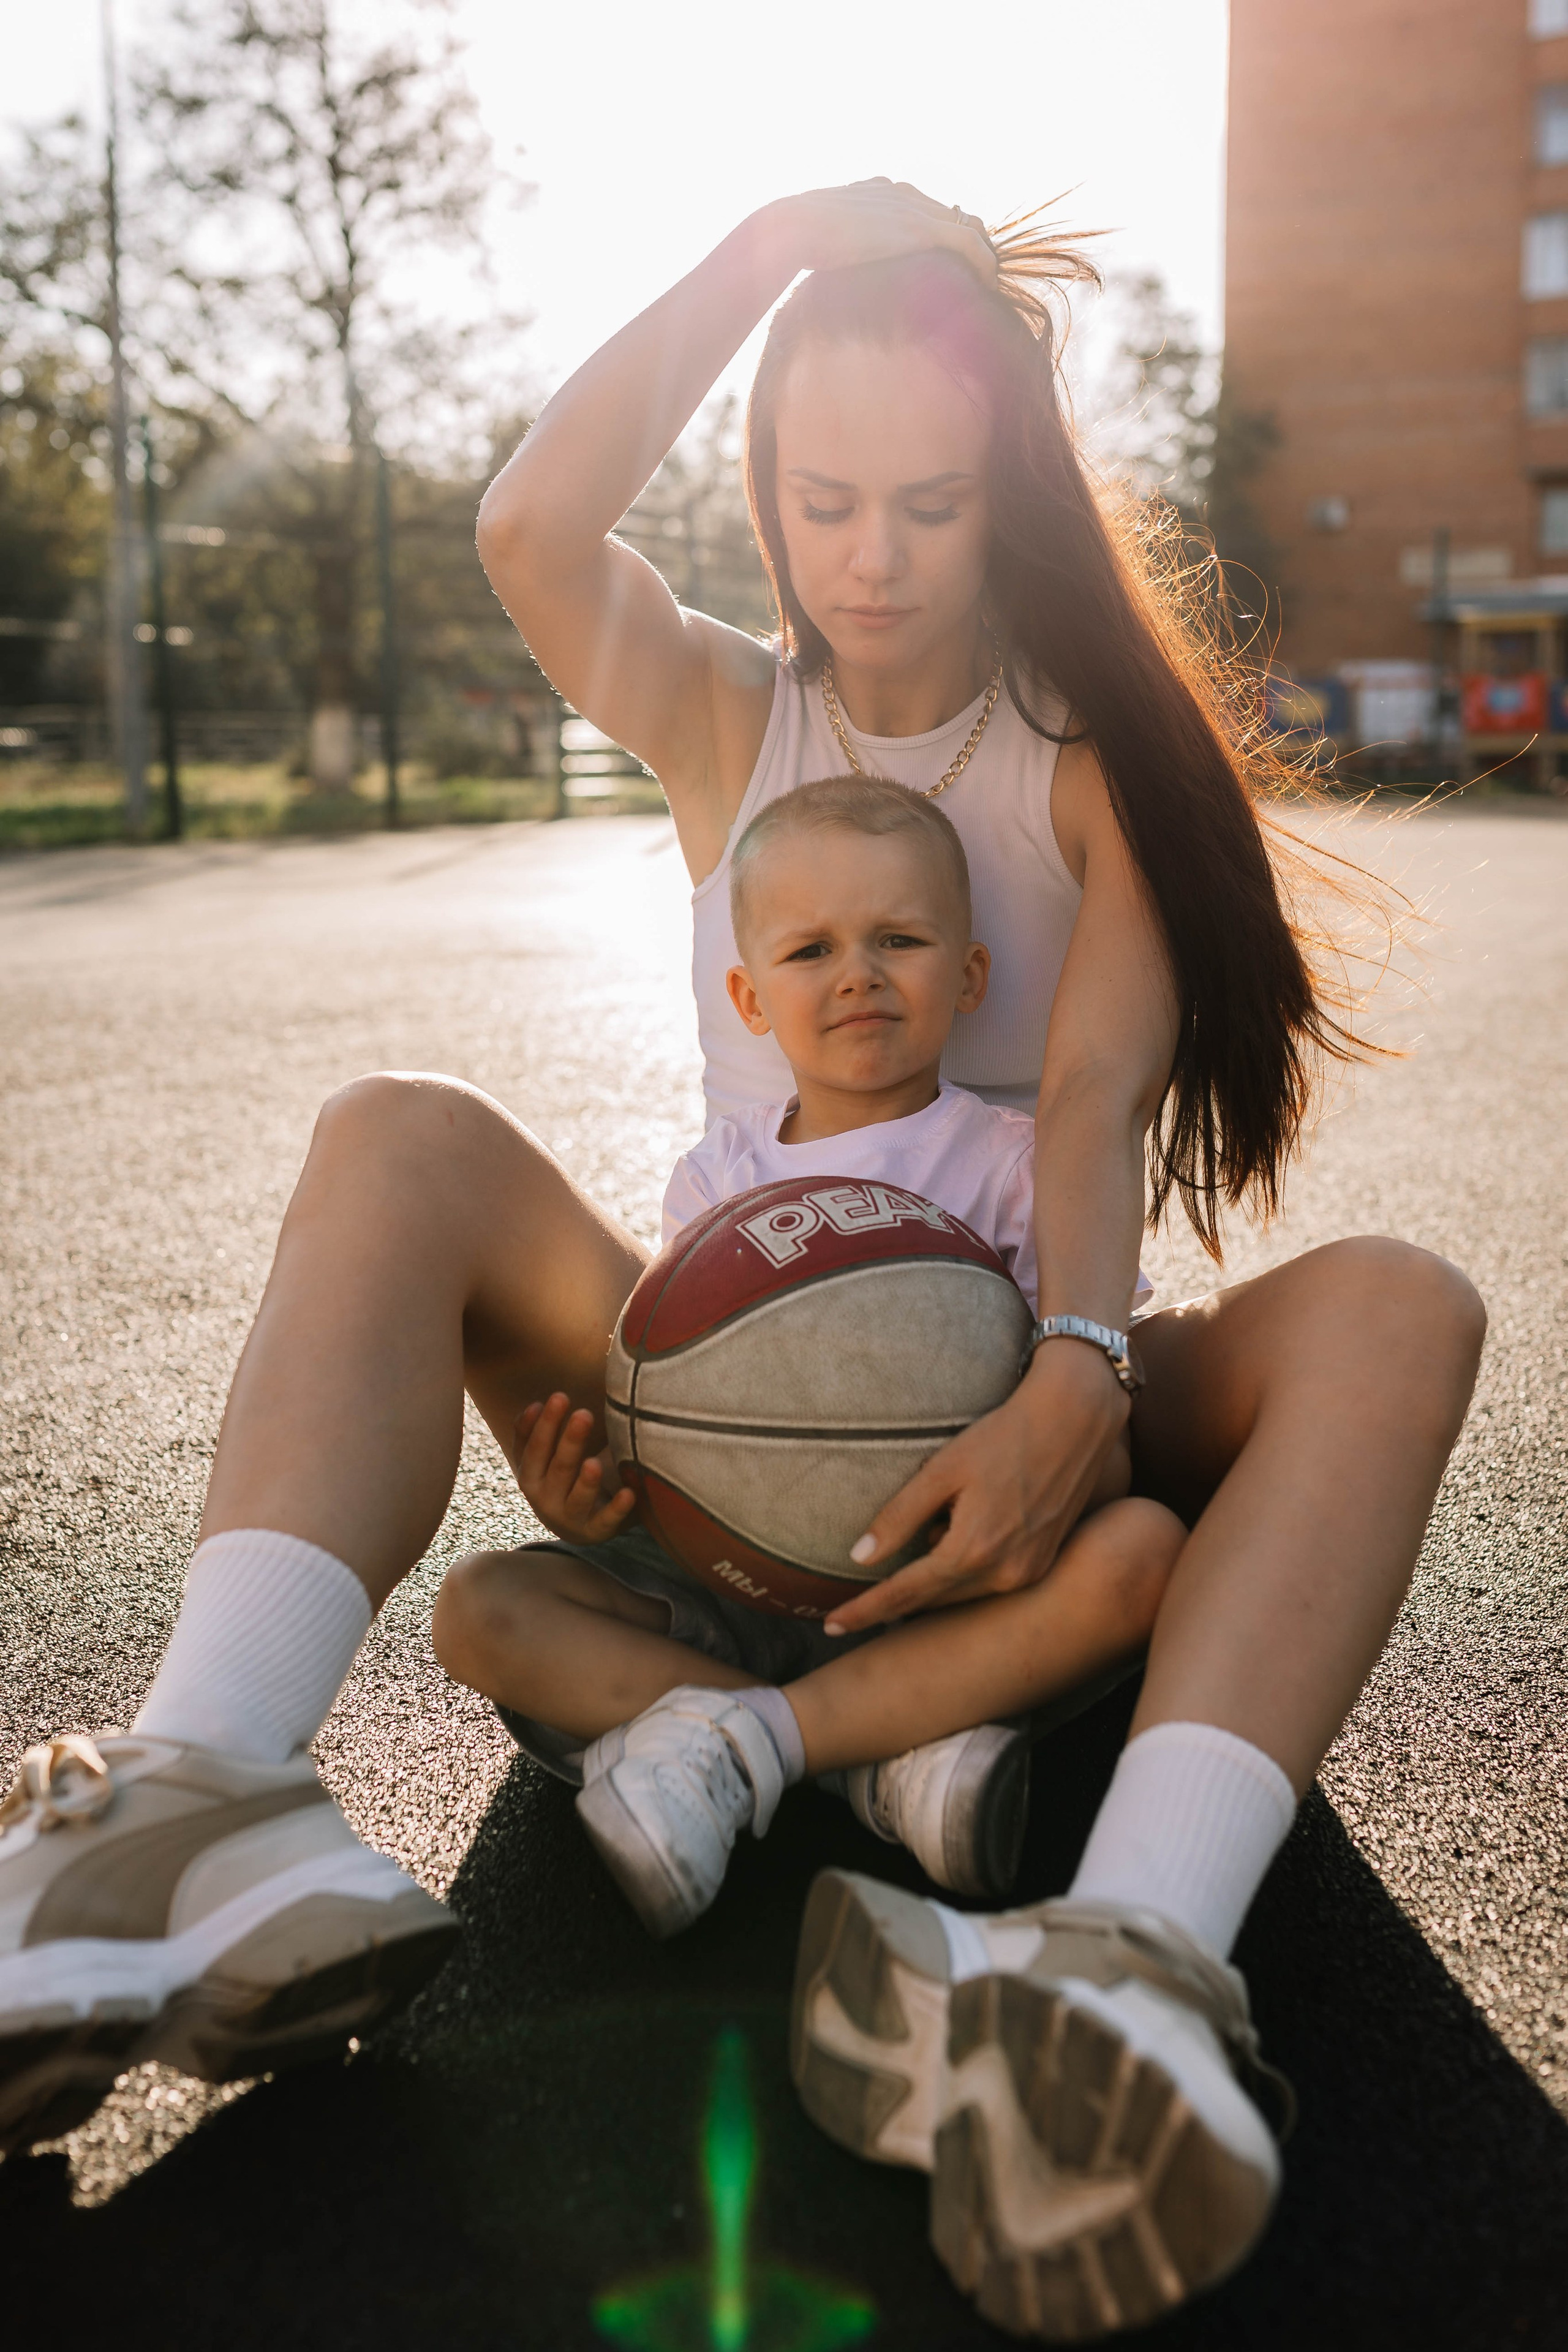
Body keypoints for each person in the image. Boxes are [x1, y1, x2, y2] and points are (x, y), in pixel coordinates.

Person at [0, 182, 1483, 2340]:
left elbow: (1089, 1102)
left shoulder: (1102, 771)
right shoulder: (726, 715)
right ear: (763, 494)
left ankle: (1125, 1963)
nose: (869, 557)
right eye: (820, 499)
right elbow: (530, 534)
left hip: (1026, 1369)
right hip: (744, 1377)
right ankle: (199, 1798)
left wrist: (1078, 1365)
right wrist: (751, 261)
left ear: (1016, 499)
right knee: (392, 1139)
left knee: (1403, 1308)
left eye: (932, 500)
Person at [429, 776, 1185, 1937]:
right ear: (748, 996)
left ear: (970, 975)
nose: (857, 974)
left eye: (901, 939)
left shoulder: (1021, 1169)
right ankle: (870, 1764)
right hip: (731, 1581)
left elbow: (1095, 1442)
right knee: (481, 1608)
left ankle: (731, 1747)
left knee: (1141, 1550)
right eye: (811, 949)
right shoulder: (715, 1186)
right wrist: (588, 1499)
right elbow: (673, 1437)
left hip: (943, 1594)